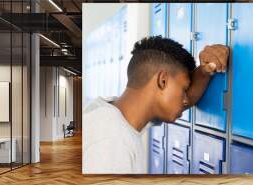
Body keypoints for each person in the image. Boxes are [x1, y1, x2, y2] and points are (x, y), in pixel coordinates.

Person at [83, 36, 229, 174]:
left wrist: (206, 70)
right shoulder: (112, 144)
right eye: (184, 89)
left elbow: (181, 101)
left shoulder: (113, 113)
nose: (185, 100)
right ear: (163, 80)